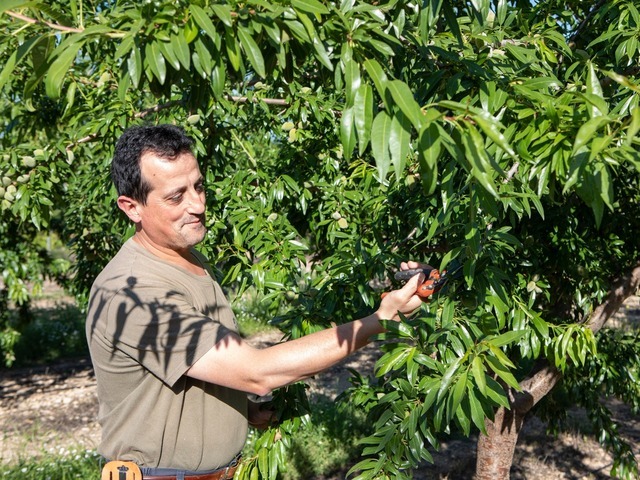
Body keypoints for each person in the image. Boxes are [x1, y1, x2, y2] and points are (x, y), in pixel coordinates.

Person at [86, 124, 426, 479]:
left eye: (198, 186)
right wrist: (379, 320)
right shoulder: (134, 294)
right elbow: (257, 372)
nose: (198, 205)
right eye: (176, 197)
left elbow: (185, 369)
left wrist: (243, 410)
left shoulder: (188, 259)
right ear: (132, 207)